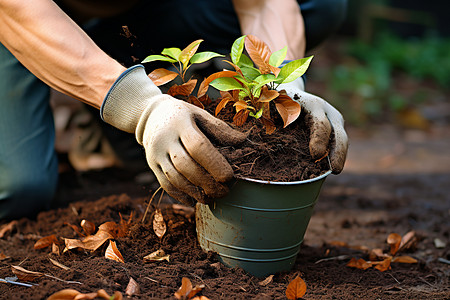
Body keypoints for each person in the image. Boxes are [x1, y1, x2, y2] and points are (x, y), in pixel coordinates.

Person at [0, 0, 349, 220]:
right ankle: (107, 96)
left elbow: (263, 4)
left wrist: (280, 87)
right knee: (20, 190)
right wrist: (142, 108)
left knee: (317, 4)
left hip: (132, 13)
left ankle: (106, 103)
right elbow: (16, 10)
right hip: (17, 20)